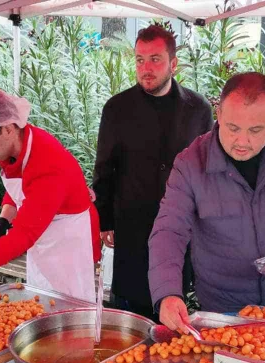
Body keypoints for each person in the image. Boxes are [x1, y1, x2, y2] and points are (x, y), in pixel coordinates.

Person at [149, 72, 265, 331]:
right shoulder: (190, 164)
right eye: (233, 128)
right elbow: (169, 232)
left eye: (255, 130)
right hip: (220, 307)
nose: (242, 142)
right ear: (219, 114)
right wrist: (167, 293)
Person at [93, 25, 213, 320]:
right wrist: (104, 219)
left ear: (174, 64)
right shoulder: (117, 108)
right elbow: (104, 166)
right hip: (132, 223)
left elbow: (207, 170)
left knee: (172, 303)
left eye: (155, 59)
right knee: (129, 306)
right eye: (139, 60)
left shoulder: (198, 109)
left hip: (178, 226)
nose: (146, 68)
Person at [0, 86, 100, 302]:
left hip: (68, 246)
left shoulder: (48, 165)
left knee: (70, 311)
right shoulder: (15, 146)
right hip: (43, 236)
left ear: (7, 128)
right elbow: (17, 189)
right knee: (41, 300)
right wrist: (4, 221)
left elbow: (23, 235)